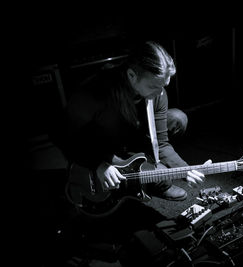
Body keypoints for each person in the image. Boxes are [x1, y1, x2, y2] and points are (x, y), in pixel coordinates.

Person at [51, 40, 210, 203]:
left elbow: (161, 144)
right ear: (131, 76)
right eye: (153, 86)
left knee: (177, 119)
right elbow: (60, 134)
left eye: (163, 86)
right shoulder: (95, 91)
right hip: (100, 145)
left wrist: (185, 170)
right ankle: (130, 173)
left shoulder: (158, 92)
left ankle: (141, 172)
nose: (159, 93)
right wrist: (97, 164)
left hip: (130, 138)